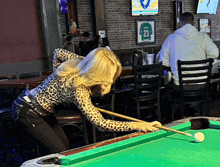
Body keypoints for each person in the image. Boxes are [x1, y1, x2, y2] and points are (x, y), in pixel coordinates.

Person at [12, 48, 161, 154]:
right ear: (97, 71)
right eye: (107, 76)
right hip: (28, 110)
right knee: (61, 154)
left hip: (43, 109)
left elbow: (58, 52)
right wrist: (136, 125)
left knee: (66, 148)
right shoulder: (79, 89)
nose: (110, 80)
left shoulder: (82, 62)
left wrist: (56, 76)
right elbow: (101, 124)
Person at [157, 12, 219, 85]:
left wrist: (172, 63)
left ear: (179, 24)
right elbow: (215, 54)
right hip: (202, 83)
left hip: (180, 85)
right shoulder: (204, 37)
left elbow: (163, 62)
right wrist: (206, 59)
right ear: (194, 23)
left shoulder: (171, 38)